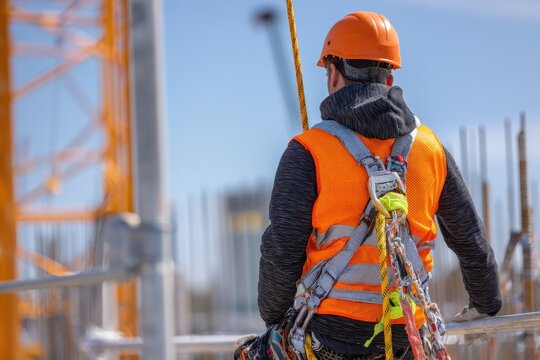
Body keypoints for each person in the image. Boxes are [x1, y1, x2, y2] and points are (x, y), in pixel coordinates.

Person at [254, 11, 501, 359]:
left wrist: (275, 321)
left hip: (328, 337)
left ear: (333, 72)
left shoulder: (309, 150)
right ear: (389, 78)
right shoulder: (430, 149)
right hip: (407, 339)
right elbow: (470, 241)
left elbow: (281, 252)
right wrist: (485, 305)